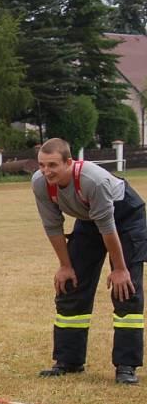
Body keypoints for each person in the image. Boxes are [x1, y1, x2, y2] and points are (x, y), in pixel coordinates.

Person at [33, 138, 146, 385]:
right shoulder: (40, 183)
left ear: (69, 163)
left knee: (126, 290)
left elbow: (108, 227)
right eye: (42, 165)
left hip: (125, 218)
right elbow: (52, 226)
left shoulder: (91, 180)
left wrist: (119, 269)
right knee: (71, 287)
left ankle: (126, 366)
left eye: (52, 165)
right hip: (88, 220)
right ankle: (69, 361)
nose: (46, 171)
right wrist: (65, 265)